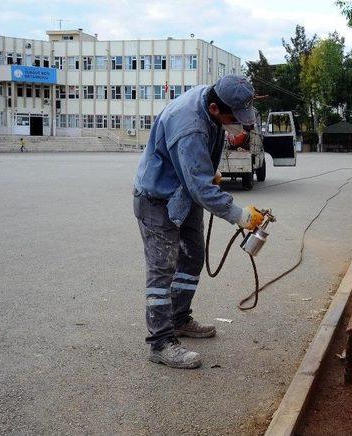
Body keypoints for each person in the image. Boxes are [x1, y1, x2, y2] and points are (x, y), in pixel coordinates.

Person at [133, 75, 264, 369]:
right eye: (234, 116)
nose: (237, 122)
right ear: (216, 108)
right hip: (156, 198)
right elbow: (201, 189)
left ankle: (178, 319)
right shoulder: (189, 126)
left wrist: (204, 171)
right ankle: (161, 342)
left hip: (182, 191)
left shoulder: (209, 103)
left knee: (192, 256)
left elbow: (198, 175)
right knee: (162, 269)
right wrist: (240, 216)